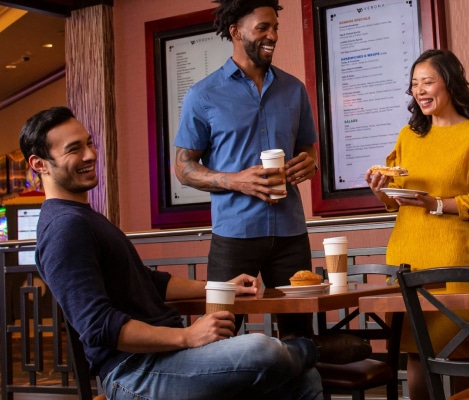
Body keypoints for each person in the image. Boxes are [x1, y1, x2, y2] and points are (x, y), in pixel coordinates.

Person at [20, 106, 323, 400]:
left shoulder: (83, 217)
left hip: (166, 359)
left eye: (89, 143)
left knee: (301, 376)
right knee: (262, 350)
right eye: (74, 149)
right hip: (134, 374)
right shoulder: (63, 228)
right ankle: (315, 349)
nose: (90, 155)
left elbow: (149, 283)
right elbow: (99, 327)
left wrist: (219, 288)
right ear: (39, 164)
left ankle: (304, 354)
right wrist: (188, 336)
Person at [365, 49, 469, 399]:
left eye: (428, 82)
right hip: (407, 252)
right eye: (414, 84)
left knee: (464, 349)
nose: (420, 91)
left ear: (450, 84)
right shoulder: (408, 136)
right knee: (417, 351)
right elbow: (397, 202)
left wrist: (437, 204)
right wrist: (381, 191)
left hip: (451, 257)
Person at [174, 0, 317, 338]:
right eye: (263, 28)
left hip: (290, 232)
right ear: (236, 32)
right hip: (234, 235)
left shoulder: (294, 89)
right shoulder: (203, 94)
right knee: (219, 334)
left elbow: (308, 148)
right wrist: (235, 180)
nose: (273, 36)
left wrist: (307, 162)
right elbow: (183, 168)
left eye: (275, 28)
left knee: (300, 336)